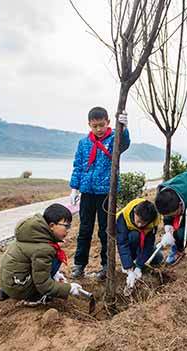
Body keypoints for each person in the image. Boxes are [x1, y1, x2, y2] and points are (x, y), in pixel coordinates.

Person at [69, 107, 130, 280]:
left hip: (106, 193)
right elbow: (78, 166)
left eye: (101, 125)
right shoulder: (83, 143)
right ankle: (79, 265)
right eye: (94, 126)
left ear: (108, 122)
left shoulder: (114, 139)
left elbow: (124, 145)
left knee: (106, 231)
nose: (98, 129)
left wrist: (124, 129)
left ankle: (106, 265)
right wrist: (75, 187)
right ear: (89, 124)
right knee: (84, 230)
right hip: (87, 192)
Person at [0, 204, 84, 302]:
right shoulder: (44, 248)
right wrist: (68, 289)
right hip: (19, 288)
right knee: (54, 258)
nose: (68, 230)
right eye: (66, 226)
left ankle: (7, 291)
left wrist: (55, 275)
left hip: (9, 282)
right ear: (51, 225)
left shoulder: (32, 234)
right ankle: (34, 297)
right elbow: (43, 285)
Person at [116, 199, 163, 289]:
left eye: (144, 222)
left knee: (158, 258)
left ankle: (138, 261)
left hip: (142, 242)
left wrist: (139, 267)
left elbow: (148, 245)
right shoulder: (123, 218)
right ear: (135, 212)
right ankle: (131, 261)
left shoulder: (153, 222)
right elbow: (122, 244)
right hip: (130, 242)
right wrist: (129, 269)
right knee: (135, 235)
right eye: (138, 221)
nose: (140, 225)